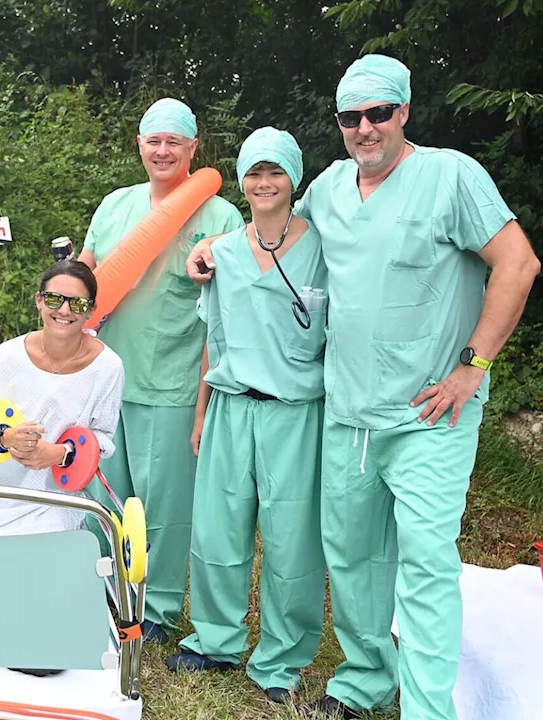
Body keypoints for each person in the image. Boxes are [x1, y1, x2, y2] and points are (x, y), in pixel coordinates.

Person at [187, 55, 541, 720]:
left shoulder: (450, 176)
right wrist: (212, 251)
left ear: (405, 111)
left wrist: (474, 365)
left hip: (428, 414)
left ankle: (429, 709)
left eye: (379, 113)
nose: (366, 128)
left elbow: (517, 264)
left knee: (427, 562)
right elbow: (274, 226)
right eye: (351, 117)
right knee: (351, 559)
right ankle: (364, 681)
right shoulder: (327, 190)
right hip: (348, 415)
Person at [163, 128, 327, 706]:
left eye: (274, 172)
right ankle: (214, 640)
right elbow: (216, 336)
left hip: (295, 415)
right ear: (241, 180)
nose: (263, 183)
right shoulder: (223, 252)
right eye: (254, 173)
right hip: (232, 408)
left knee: (291, 541)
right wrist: (203, 411)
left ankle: (282, 657)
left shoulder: (324, 251)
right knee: (217, 531)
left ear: (294, 178)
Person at [77, 98, 245, 642]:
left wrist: (204, 402)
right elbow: (86, 268)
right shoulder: (115, 206)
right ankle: (97, 590)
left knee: (164, 507)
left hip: (174, 383)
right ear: (140, 146)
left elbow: (228, 311)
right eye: (154, 140)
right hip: (105, 378)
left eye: (176, 141)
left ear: (195, 148)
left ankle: (158, 607)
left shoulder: (220, 217)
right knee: (101, 493)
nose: (164, 150)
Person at [0, 260, 124, 539]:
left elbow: (103, 437)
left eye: (78, 304)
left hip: (54, 496)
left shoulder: (107, 367)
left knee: (47, 548)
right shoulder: (8, 355)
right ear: (39, 300)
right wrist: (6, 438)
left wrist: (59, 453)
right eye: (55, 299)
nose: (65, 310)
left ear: (91, 310)